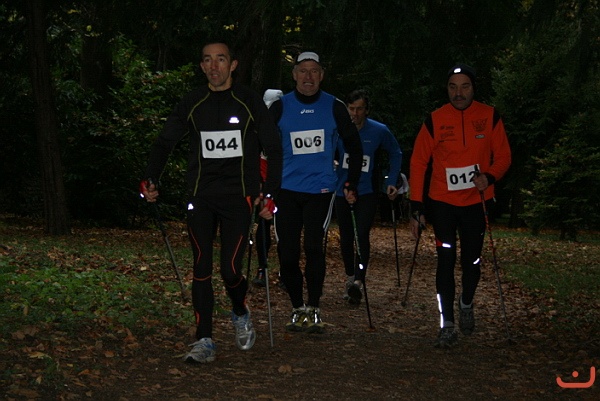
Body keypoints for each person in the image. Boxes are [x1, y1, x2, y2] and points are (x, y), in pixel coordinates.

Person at [140, 40, 282, 363]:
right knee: (201, 264)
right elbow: (164, 142)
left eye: (220, 59)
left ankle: (240, 309)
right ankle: (204, 339)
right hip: (201, 196)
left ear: (233, 65)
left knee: (230, 270)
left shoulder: (248, 101)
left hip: (239, 196)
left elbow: (273, 148)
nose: (214, 66)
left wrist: (270, 194)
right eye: (207, 60)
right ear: (202, 66)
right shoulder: (193, 102)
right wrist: (150, 179)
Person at [409, 63, 511, 348]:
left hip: (476, 202)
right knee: (445, 259)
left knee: (472, 261)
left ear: (473, 88)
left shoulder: (489, 116)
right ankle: (447, 324)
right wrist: (416, 205)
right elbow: (418, 162)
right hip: (442, 202)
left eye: (465, 87)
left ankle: (466, 301)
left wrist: (490, 176)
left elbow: (504, 156)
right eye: (453, 87)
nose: (458, 93)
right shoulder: (435, 119)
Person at [269, 51, 363, 333]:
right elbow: (261, 144)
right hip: (286, 190)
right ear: (294, 75)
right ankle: (297, 308)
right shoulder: (280, 107)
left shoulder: (334, 106)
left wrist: (351, 182)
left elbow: (354, 145)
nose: (308, 76)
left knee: (313, 247)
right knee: (287, 254)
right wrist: (263, 184)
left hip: (320, 190)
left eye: (314, 71)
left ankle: (313, 308)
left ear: (321, 75)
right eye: (303, 71)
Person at [335, 89, 402, 305]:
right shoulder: (337, 129)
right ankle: (349, 276)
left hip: (367, 191)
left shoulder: (379, 130)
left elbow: (396, 153)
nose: (355, 114)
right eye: (351, 109)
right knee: (346, 236)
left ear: (366, 110)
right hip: (341, 190)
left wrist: (391, 180)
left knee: (361, 233)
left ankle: (358, 281)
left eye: (359, 109)